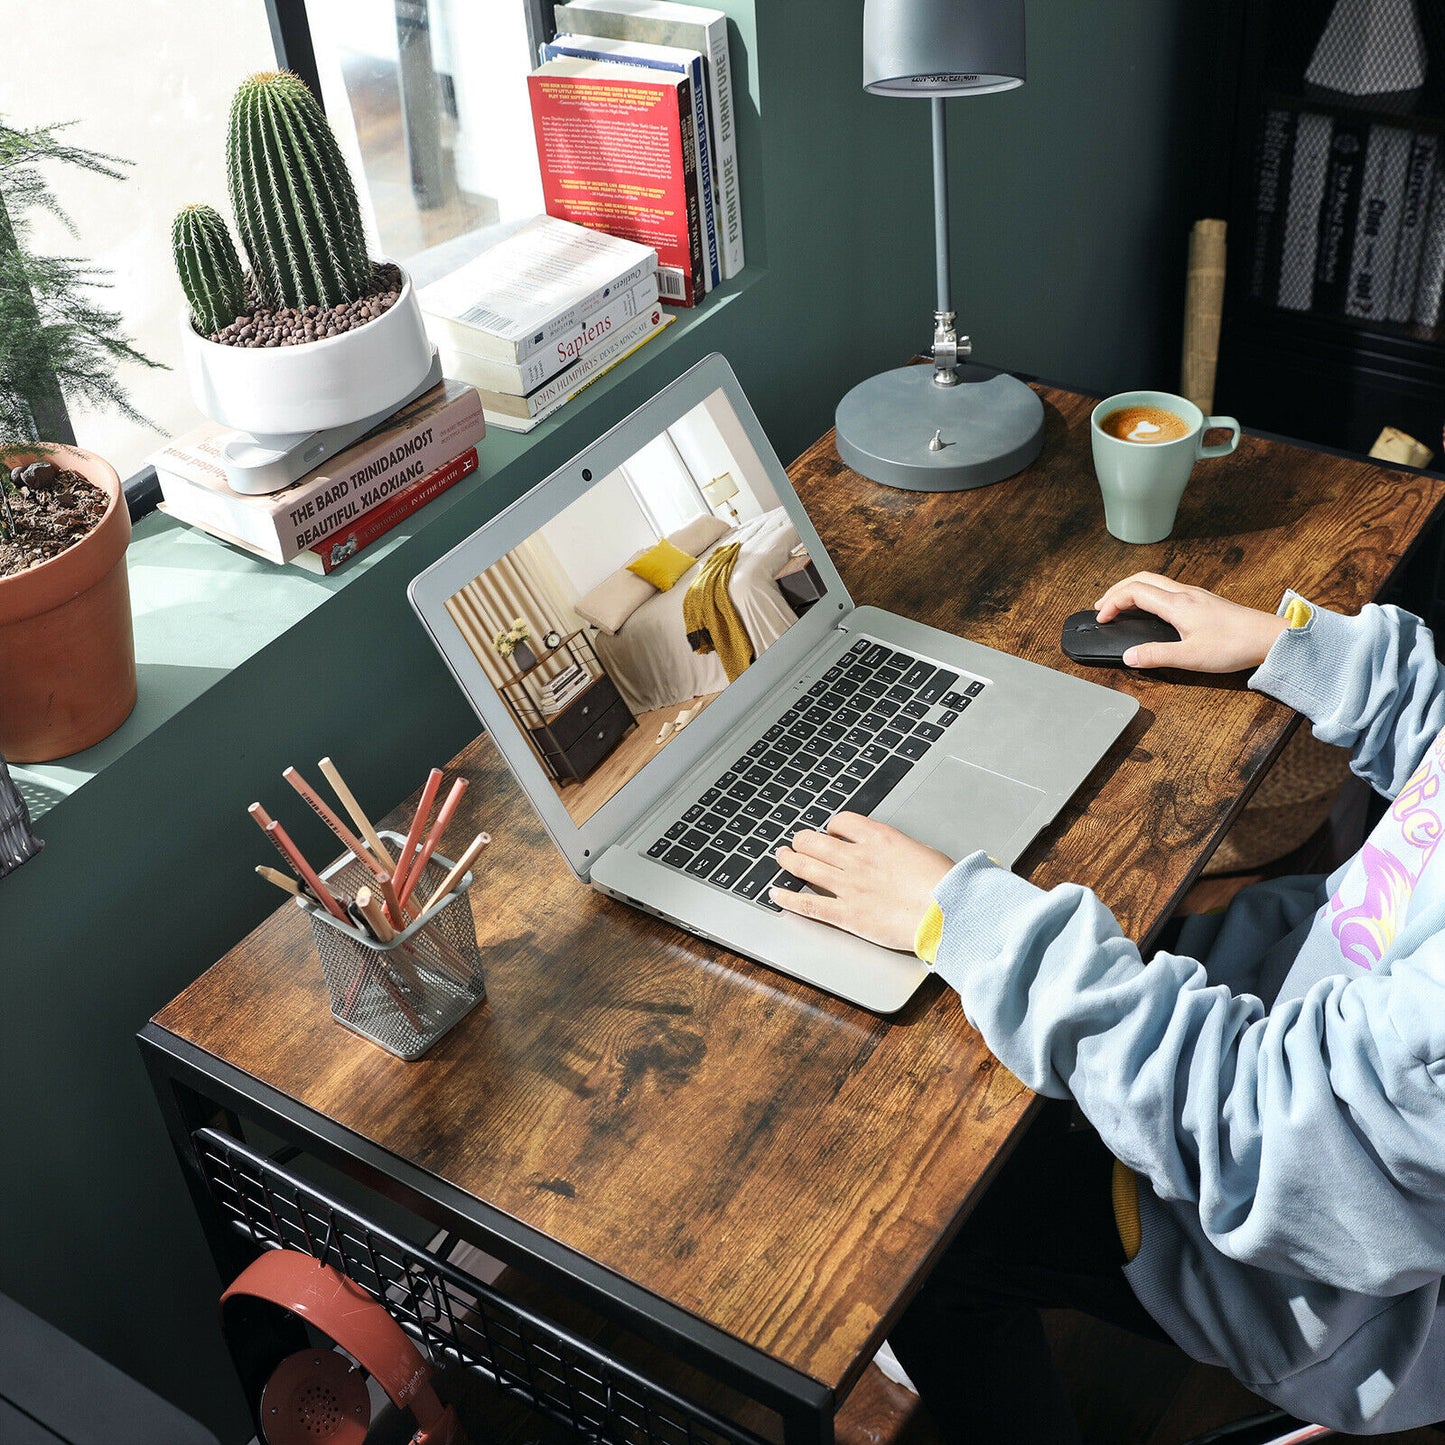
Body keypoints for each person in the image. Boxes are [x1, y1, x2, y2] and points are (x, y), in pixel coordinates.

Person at [767, 571, 1445, 1440]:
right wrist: (1308, 653)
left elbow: (1266, 1136)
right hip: (1281, 1015)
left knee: (930, 1245)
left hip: (1303, 1258)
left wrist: (964, 920)